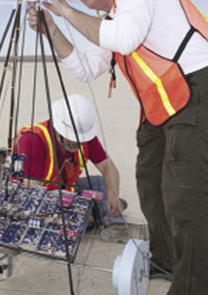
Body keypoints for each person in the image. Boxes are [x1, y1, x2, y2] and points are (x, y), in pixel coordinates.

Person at [27, 0, 208, 295]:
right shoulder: (113, 20)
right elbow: (88, 67)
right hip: (166, 103)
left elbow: (122, 37)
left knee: (186, 198)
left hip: (198, 88)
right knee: (148, 176)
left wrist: (65, 12)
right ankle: (166, 259)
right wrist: (53, 29)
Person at [13, 94, 129, 238]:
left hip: (66, 190)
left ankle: (112, 220)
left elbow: (108, 167)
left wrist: (113, 194)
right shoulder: (33, 140)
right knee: (70, 221)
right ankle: (92, 213)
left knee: (101, 183)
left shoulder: (86, 137)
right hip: (41, 197)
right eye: (72, 138)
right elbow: (31, 190)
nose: (77, 143)